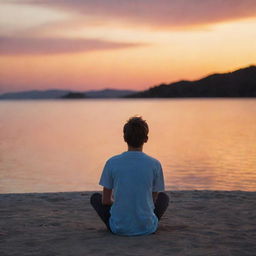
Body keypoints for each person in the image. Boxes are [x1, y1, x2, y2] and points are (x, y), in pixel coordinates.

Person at [90, 116, 169, 236]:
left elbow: (105, 201)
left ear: (124, 138)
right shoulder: (155, 164)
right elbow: (151, 201)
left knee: (95, 198)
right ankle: (146, 222)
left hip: (118, 228)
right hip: (147, 228)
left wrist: (121, 201)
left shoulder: (112, 162)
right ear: (146, 139)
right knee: (164, 198)